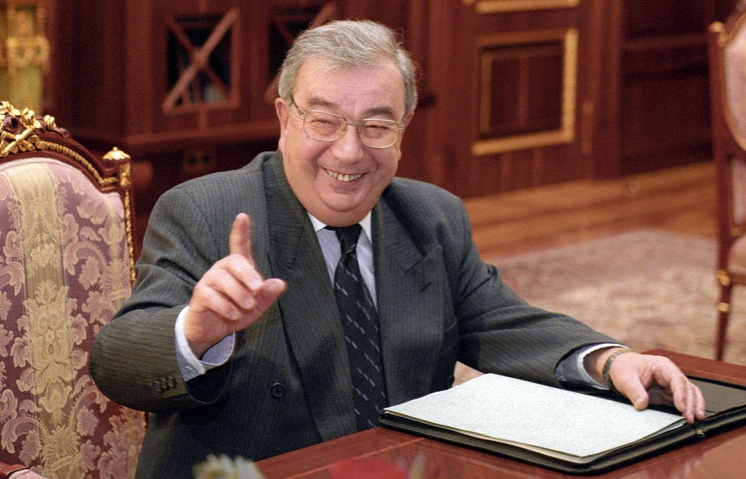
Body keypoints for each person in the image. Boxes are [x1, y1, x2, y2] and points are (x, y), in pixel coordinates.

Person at [89, 19, 705, 478]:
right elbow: (115, 362)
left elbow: (500, 321)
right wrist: (196, 331)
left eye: (376, 125)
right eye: (323, 121)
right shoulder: (206, 210)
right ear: (284, 117)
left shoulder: (430, 216)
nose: (349, 150)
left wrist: (609, 361)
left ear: (404, 128)